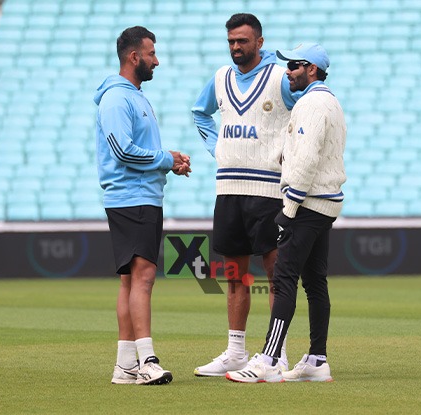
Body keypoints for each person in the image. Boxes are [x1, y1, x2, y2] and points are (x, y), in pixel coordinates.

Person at [226, 43, 347, 383]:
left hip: (307, 204)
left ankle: (268, 359)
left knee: (283, 279)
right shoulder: (330, 100)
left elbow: (306, 159)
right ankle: (317, 360)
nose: (288, 71)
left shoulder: (310, 103)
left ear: (312, 69)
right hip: (326, 201)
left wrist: (289, 208)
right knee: (314, 282)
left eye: (294, 65)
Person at [191, 13, 301, 376]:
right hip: (228, 188)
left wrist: (291, 152)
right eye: (231, 42)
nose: (236, 47)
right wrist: (217, 149)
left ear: (259, 41)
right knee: (235, 275)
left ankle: (277, 352)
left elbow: (305, 116)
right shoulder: (221, 78)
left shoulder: (278, 77)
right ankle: (235, 350)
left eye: (242, 41)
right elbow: (199, 113)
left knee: (275, 274)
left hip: (268, 190)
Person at [93, 26, 191, 386]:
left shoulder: (131, 96)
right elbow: (122, 150)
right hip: (133, 197)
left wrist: (170, 161)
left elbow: (137, 150)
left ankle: (125, 364)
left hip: (137, 196)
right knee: (144, 277)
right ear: (134, 57)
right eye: (151, 53)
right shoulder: (118, 99)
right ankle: (147, 359)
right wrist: (166, 159)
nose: (156, 60)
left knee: (129, 281)